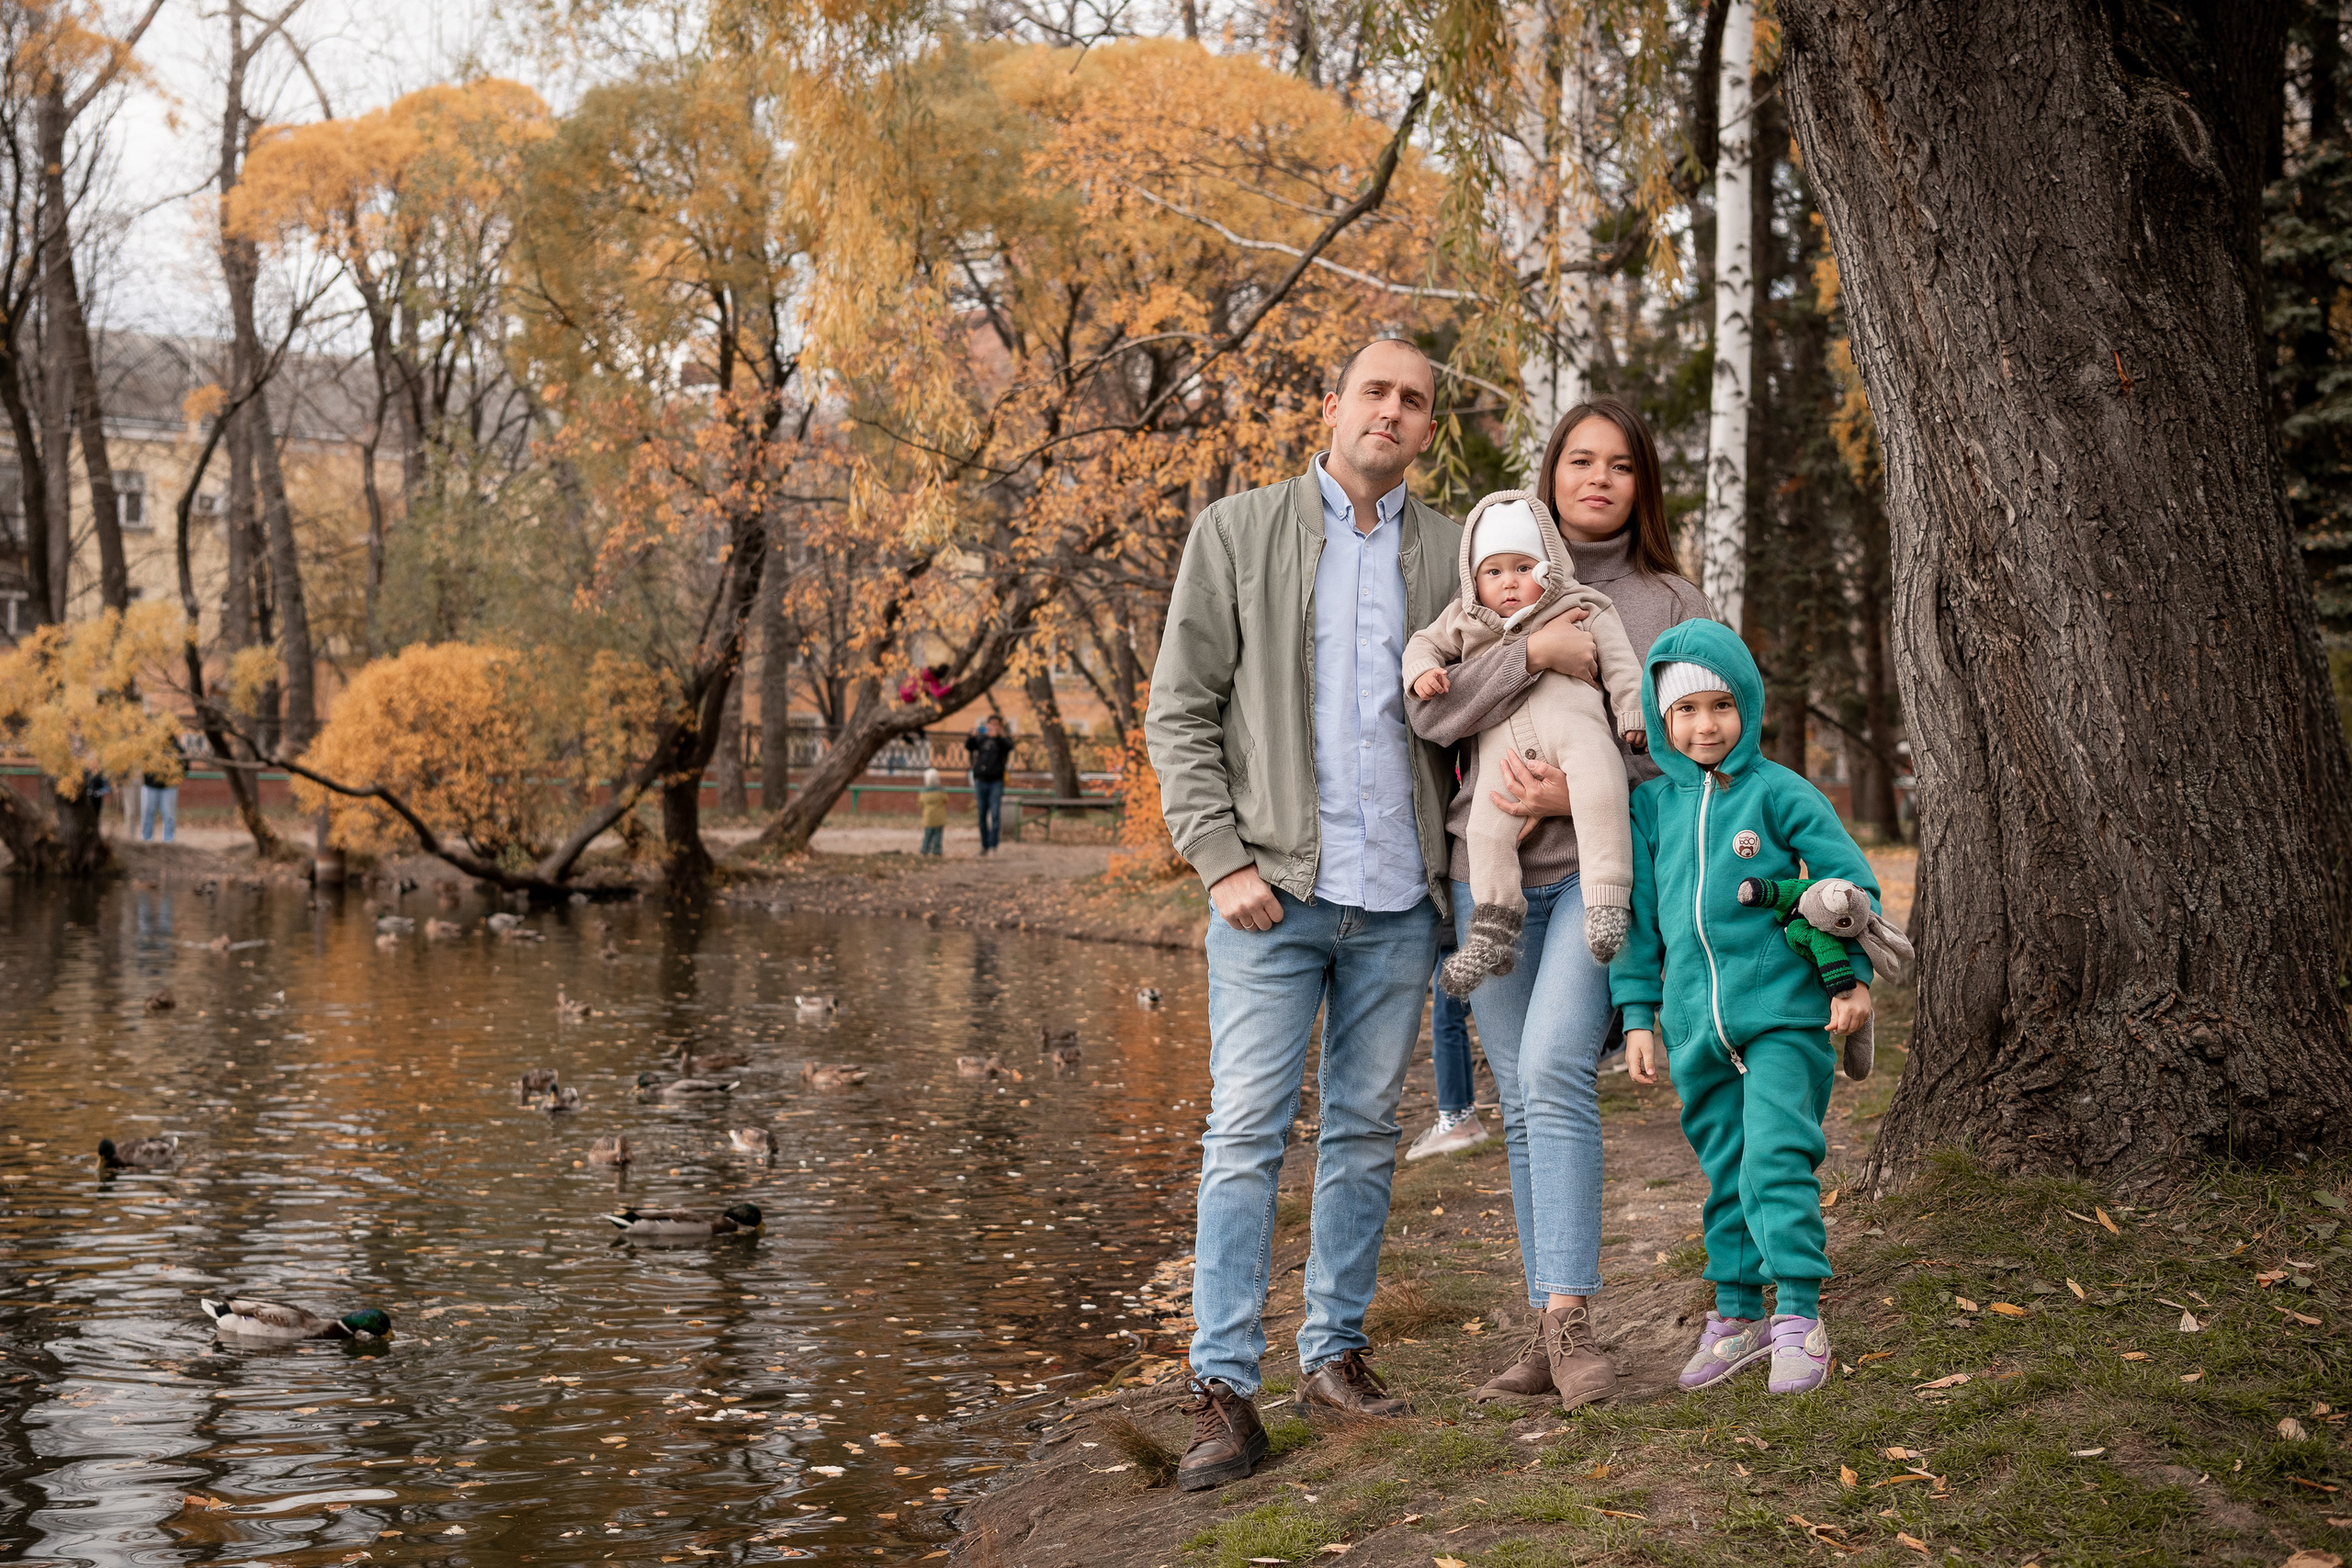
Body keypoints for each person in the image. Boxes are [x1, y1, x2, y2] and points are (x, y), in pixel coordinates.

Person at [1148, 336, 1460, 1491]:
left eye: (1413, 401)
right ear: (1332, 406)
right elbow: (1180, 709)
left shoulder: (1451, 551)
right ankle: (1222, 1390)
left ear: (1427, 430)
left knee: (1366, 1132)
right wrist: (1218, 858)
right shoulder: (1238, 530)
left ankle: (1332, 1357)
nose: (1391, 411)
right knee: (1243, 1137)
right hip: (1270, 896)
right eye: (1374, 391)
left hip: (1400, 899)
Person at [1407, 397, 1713, 1414]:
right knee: (1521, 1100)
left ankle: (1574, 1319)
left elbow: (1697, 754)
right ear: (1550, 476)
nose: (1598, 480)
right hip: (1485, 874)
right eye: (1580, 461)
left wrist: (1581, 793)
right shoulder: (1490, 581)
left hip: (1594, 872)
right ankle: (1547, 1328)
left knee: (1551, 1071)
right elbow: (1433, 712)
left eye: (1619, 465)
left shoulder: (1670, 603)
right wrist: (1534, 656)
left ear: (1642, 483)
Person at [1614, 618, 1881, 1397]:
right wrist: (1637, 1014)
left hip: (1783, 1015)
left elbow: (1847, 888)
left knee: (1775, 1156)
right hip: (1695, 1024)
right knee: (1726, 1166)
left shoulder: (1779, 790)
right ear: (1661, 719)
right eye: (1686, 710)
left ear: (1748, 705)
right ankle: (1735, 1313)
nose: (1706, 725)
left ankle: (1798, 1311)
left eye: (1722, 705)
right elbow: (1637, 920)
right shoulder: (1651, 807)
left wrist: (1853, 979)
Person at [1404, 490, 1647, 991]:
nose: (1509, 582)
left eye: (1523, 568)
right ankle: (1494, 925)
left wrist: (1631, 710)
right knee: (1485, 830)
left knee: (1601, 792)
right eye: (1493, 572)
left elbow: (1622, 662)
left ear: (1548, 569)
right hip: (1504, 759)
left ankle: (1606, 899)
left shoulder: (1580, 605)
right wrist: (1423, 670)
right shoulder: (1464, 618)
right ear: (1473, 579)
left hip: (1579, 734)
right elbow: (1422, 643)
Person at [1406, 945, 1489, 1159]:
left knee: (1445, 1023)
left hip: (1454, 942)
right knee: (1452, 1021)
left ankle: (1452, 1121)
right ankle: (1465, 1118)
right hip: (1463, 941)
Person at [964, 716, 1014, 854]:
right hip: (981, 780)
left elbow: (1009, 747)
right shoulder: (981, 739)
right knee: (982, 814)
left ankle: (993, 844)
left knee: (995, 813)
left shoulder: (1003, 740)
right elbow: (969, 746)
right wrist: (972, 736)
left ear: (1000, 727)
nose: (993, 727)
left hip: (996, 782)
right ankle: (984, 845)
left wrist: (997, 737)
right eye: (991, 724)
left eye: (996, 725)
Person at [141, 734, 185, 843]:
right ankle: (146, 839)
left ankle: (169, 841)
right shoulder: (150, 743)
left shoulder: (174, 746)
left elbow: (184, 765)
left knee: (169, 815)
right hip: (150, 786)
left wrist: (176, 777)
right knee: (148, 814)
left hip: (169, 787)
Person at [917, 767, 947, 856]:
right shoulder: (940, 791)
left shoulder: (923, 793)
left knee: (927, 835)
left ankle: (925, 849)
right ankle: (937, 850)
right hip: (939, 818)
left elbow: (920, 803)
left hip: (928, 818)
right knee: (938, 836)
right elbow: (945, 800)